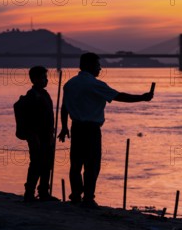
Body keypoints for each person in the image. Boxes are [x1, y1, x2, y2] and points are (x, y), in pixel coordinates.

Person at [58, 52, 154, 208]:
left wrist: (64, 127)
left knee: (76, 164)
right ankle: (88, 198)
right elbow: (120, 96)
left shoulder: (69, 84)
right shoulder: (95, 84)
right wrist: (142, 98)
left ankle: (76, 195)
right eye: (98, 65)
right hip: (91, 130)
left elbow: (64, 108)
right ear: (89, 65)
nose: (100, 68)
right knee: (92, 165)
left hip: (76, 128)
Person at [21, 66, 60, 202]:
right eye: (43, 77)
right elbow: (29, 119)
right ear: (34, 79)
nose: (46, 80)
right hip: (37, 136)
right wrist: (33, 136)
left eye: (46, 77)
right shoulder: (32, 95)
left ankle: (43, 191)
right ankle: (29, 192)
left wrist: (52, 134)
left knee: (47, 164)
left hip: (47, 135)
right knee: (36, 164)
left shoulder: (44, 94)